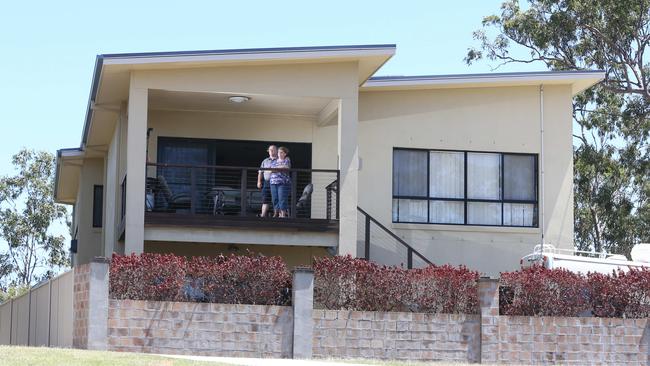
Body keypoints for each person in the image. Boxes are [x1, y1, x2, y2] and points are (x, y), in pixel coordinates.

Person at [270, 146, 291, 218]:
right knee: (274, 198)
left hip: (283, 183)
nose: (279, 154)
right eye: (279, 152)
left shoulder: (287, 159)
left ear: (285, 154)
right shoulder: (274, 161)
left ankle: (283, 215)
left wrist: (277, 168)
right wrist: (280, 168)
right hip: (273, 182)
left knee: (282, 198)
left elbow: (286, 167)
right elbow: (271, 170)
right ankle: (276, 213)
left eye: (281, 152)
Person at [257, 145, 277, 217]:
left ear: (276, 151)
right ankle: (263, 215)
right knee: (265, 199)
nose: (271, 151)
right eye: (270, 150)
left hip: (276, 182)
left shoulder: (279, 160)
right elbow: (260, 172)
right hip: (266, 182)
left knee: (275, 199)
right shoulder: (265, 161)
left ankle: (276, 215)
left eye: (273, 150)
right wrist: (259, 181)